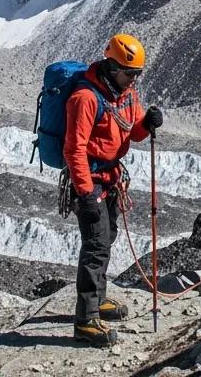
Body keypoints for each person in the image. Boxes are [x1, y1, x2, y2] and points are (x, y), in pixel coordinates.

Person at [65, 33, 163, 347]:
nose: (134, 80)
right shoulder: (85, 98)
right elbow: (74, 149)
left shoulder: (126, 95)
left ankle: (99, 299)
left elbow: (132, 133)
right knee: (95, 246)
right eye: (129, 73)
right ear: (112, 66)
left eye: (137, 74)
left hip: (110, 178)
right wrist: (85, 193)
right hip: (91, 180)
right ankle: (86, 321)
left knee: (106, 239)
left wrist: (147, 123)